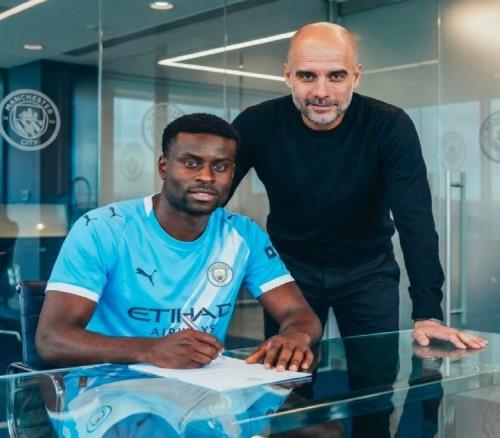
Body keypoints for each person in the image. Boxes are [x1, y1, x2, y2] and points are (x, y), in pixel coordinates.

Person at [231, 22, 486, 350]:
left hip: (367, 273)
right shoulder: (257, 124)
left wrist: (428, 313)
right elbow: (210, 195)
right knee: (288, 374)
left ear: (356, 76)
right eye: (307, 76)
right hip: (289, 272)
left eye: (336, 76)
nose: (321, 91)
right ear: (288, 75)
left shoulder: (389, 126)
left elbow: (415, 221)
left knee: (375, 376)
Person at [36, 113, 322, 371]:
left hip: (204, 389)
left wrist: (295, 335)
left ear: (233, 174)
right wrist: (151, 350)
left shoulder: (244, 235)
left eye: (220, 166)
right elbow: (52, 339)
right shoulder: (102, 229)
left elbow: (298, 313)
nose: (206, 177)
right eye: (191, 163)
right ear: (164, 167)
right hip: (106, 385)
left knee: (312, 415)